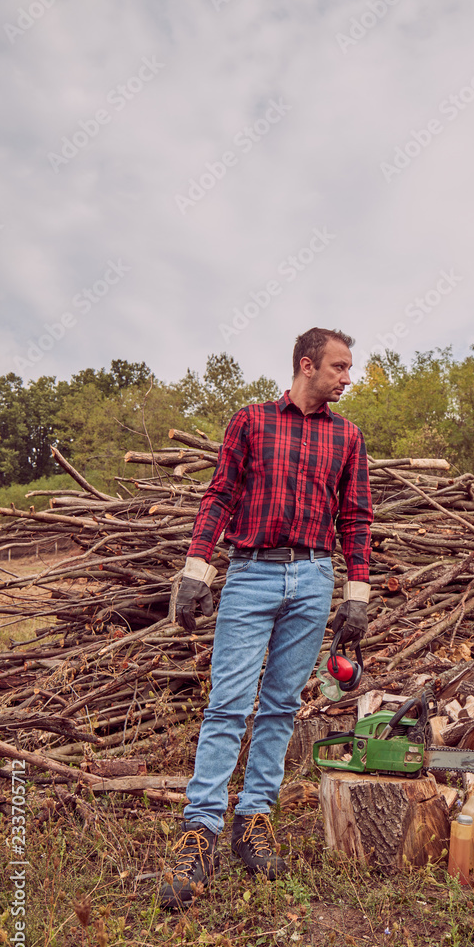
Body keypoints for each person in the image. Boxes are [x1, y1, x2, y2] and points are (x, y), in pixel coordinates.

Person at [159, 327, 373, 910]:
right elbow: (220, 496)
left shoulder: (348, 437)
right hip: (251, 573)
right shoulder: (251, 421)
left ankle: (253, 823)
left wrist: (356, 593)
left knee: (280, 706)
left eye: (349, 368)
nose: (347, 378)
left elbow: (355, 518)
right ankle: (198, 832)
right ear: (308, 365)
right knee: (228, 703)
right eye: (340, 367)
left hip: (313, 578)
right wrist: (196, 571)